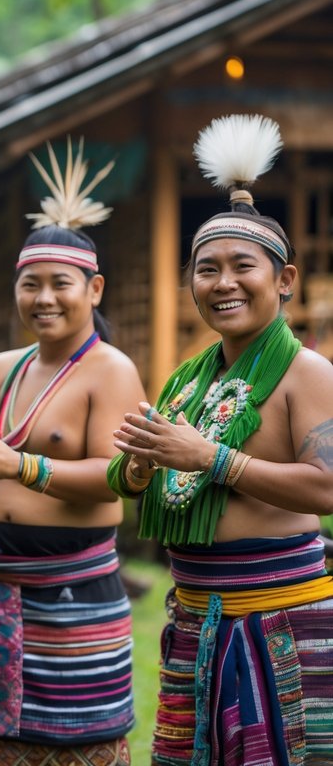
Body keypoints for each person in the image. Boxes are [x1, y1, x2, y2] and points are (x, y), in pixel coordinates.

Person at [109, 114, 333, 764]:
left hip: (281, 619)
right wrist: (141, 465)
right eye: (206, 269)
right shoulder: (189, 378)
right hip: (194, 617)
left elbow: (326, 486)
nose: (222, 282)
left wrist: (211, 458)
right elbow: (164, 475)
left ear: (283, 280)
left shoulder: (305, 372)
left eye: (243, 267)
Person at [0, 139, 141, 765]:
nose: (45, 298)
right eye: (31, 284)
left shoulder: (110, 371)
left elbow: (116, 479)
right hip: (4, 587)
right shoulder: (0, 367)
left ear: (95, 289)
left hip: (75, 592)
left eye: (62, 283)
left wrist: (18, 465)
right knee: (8, 745)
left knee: (85, 744)